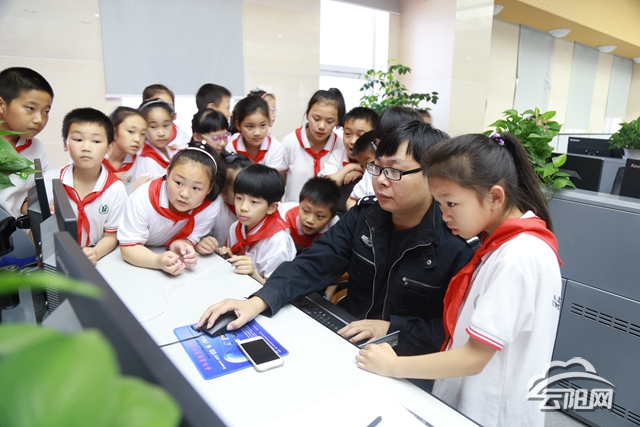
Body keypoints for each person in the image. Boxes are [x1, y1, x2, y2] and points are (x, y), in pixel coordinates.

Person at [197, 121, 475, 357]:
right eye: (376, 168)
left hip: (405, 359)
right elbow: (313, 264)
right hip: (345, 337)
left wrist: (392, 328)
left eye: (394, 171)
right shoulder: (365, 217)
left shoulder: (457, 242)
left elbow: (454, 329)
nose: (380, 180)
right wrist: (257, 301)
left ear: (432, 176)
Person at [356, 132, 563, 427]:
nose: (444, 216)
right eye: (439, 203)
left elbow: (474, 358)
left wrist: (393, 366)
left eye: (451, 203)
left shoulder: (519, 257)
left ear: (495, 197)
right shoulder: (505, 246)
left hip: (488, 413)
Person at [117, 141, 225, 276]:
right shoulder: (143, 199)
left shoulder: (210, 206)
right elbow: (129, 247)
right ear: (168, 174)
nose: (185, 194)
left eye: (196, 188)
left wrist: (182, 245)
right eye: (179, 183)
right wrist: (157, 261)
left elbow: (189, 238)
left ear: (210, 188)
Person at [45, 108, 128, 265]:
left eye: (96, 141)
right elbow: (36, 232)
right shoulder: (50, 180)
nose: (86, 147)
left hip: (97, 260)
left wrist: (96, 252)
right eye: (78, 139)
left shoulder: (115, 189)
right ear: (65, 143)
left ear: (109, 148)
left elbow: (111, 236)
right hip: (55, 259)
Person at [216, 164, 295, 284]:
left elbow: (277, 289)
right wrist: (228, 257)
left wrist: (253, 274)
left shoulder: (278, 241)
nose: (243, 207)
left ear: (271, 208)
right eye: (239, 198)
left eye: (254, 202)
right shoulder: (235, 227)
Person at [346, 106, 424, 211]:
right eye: (378, 145)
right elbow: (352, 200)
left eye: (395, 171)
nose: (381, 179)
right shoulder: (373, 170)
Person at [0, 67, 53, 219]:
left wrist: (43, 210)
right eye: (30, 108)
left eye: (46, 111)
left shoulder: (37, 148)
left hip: (12, 231)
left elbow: (26, 201)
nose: (39, 119)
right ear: (1, 105)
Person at [281, 89, 346, 202]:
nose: (321, 126)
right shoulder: (290, 142)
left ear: (338, 121)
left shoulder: (341, 146)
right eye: (316, 119)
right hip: (293, 210)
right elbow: (280, 182)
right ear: (307, 114)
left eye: (329, 121)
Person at [278, 176, 341, 254]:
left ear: (332, 217)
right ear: (300, 204)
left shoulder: (335, 226)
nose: (310, 220)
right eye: (306, 211)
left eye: (319, 216)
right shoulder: (283, 217)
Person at [319, 107, 378, 187]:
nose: (353, 141)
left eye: (360, 136)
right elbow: (326, 186)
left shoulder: (378, 158)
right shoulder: (338, 155)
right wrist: (351, 167)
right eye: (347, 134)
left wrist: (362, 174)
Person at [206, 151, 253, 246]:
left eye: (252, 186)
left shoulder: (265, 207)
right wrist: (203, 243)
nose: (249, 194)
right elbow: (200, 237)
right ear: (223, 192)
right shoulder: (214, 209)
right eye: (240, 190)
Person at [227, 96, 285, 170]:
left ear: (268, 122)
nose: (257, 133)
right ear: (238, 125)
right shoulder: (230, 149)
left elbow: (273, 177)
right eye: (250, 126)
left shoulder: (276, 148)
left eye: (263, 125)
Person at [134, 98, 180, 181]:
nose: (161, 133)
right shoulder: (146, 159)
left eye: (166, 125)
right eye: (153, 127)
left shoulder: (172, 150)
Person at [104, 107, 147, 194]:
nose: (138, 139)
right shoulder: (91, 159)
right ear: (113, 132)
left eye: (143, 134)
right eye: (131, 131)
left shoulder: (144, 163)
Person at [142, 84, 190, 150]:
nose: (161, 133)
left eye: (168, 107)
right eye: (158, 106)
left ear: (174, 116)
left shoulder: (185, 140)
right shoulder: (137, 144)